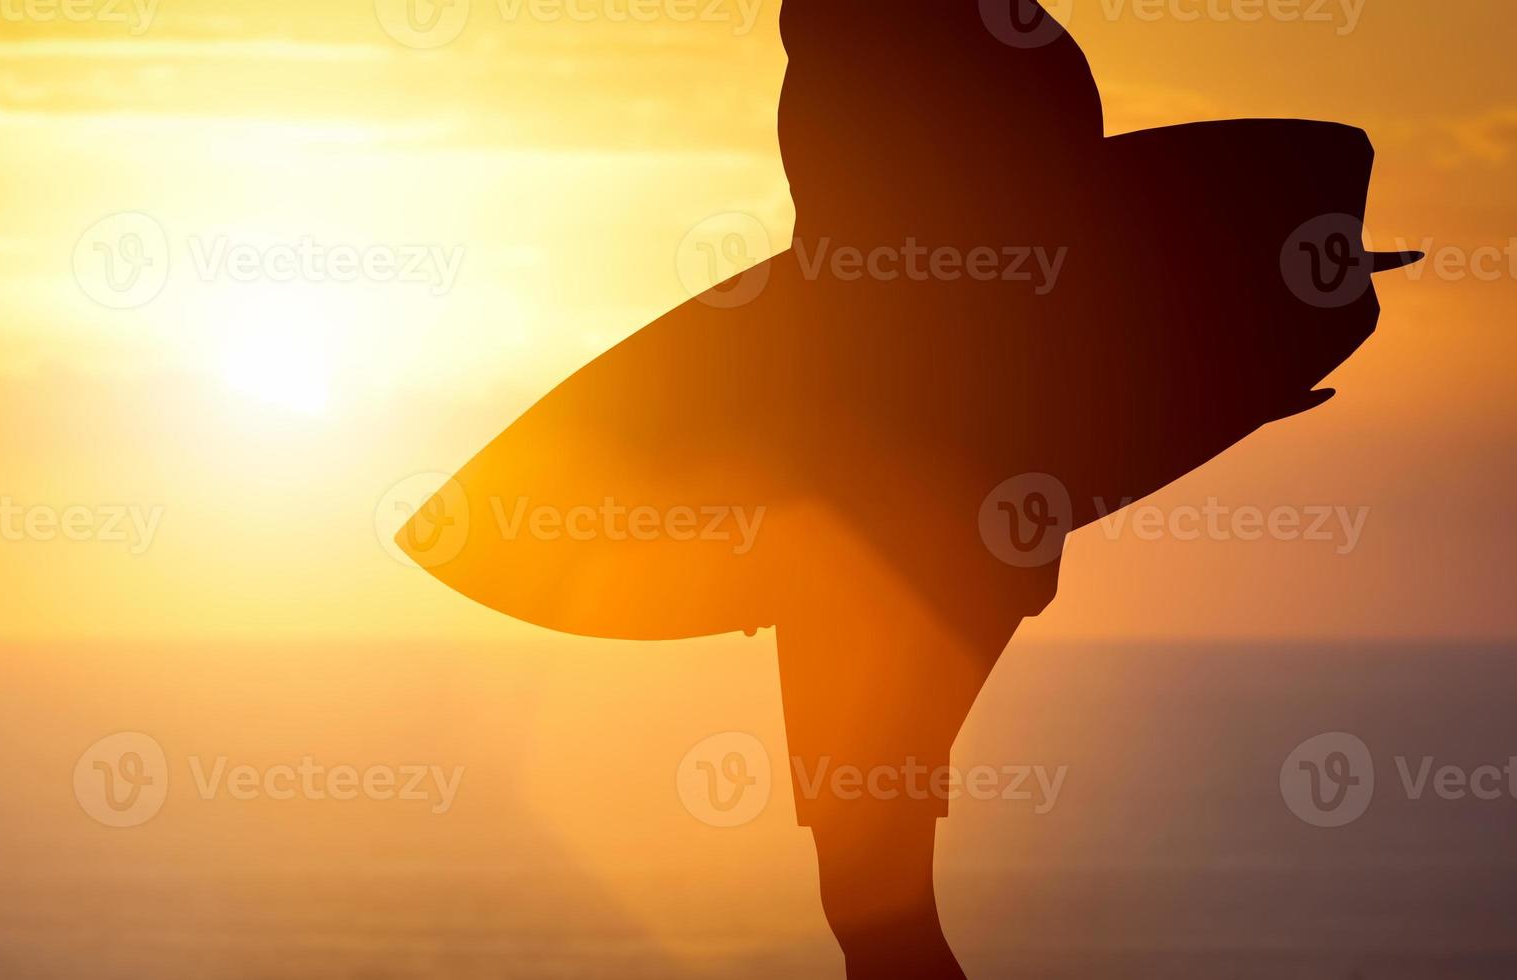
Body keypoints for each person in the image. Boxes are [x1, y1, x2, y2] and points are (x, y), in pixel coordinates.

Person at [399, 2, 1418, 976]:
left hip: (918, 485)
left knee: (875, 883)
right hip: (887, 486)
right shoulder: (936, 60)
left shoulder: (970, 58)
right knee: (873, 880)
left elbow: (1056, 280)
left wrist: (1208, 365)